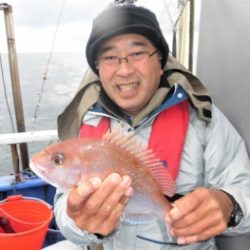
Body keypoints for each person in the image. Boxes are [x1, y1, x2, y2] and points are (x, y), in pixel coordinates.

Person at [53, 3, 250, 250]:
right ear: (98, 68)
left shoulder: (204, 119)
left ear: (160, 60)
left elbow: (245, 187)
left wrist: (229, 204)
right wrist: (79, 222)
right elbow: (62, 206)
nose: (124, 70)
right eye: (110, 57)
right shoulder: (81, 122)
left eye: (137, 53)